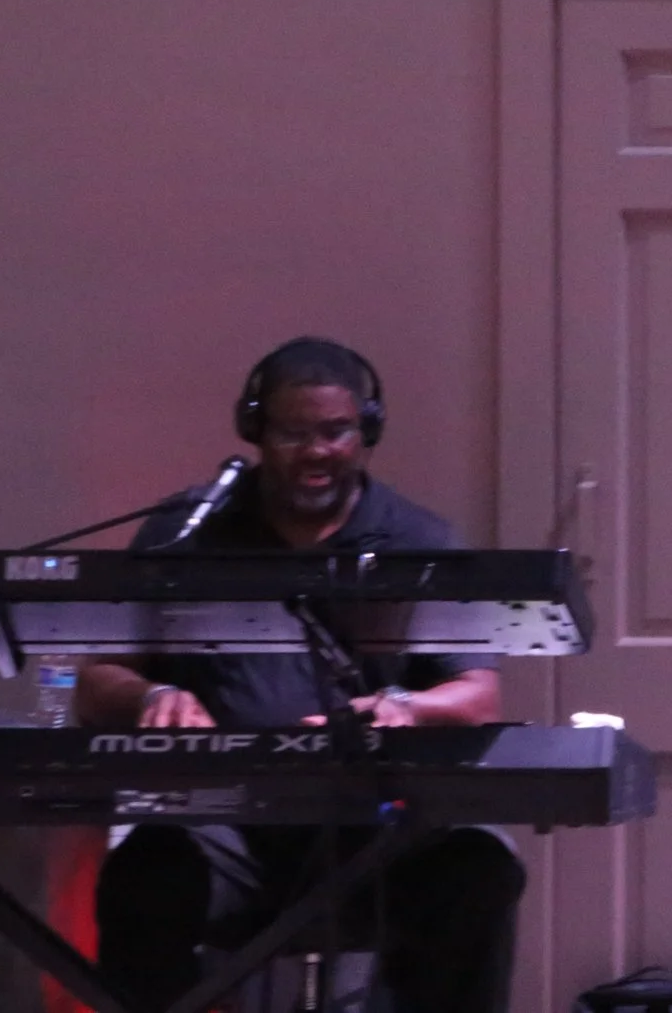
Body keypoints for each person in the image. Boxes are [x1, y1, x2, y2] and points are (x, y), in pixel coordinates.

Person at [76, 336, 524, 1013]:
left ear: (366, 430)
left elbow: (477, 696)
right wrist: (153, 694)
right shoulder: (191, 531)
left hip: (375, 833)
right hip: (226, 828)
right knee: (146, 876)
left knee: (479, 870)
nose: (316, 451)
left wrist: (406, 705)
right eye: (292, 432)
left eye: (336, 431)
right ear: (255, 429)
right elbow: (96, 681)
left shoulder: (418, 541)